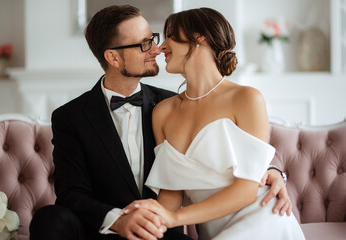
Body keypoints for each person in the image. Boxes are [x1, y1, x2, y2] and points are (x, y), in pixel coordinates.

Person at [29, 5, 292, 240]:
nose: (158, 48)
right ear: (113, 57)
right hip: (110, 227)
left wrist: (272, 171)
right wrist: (121, 219)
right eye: (144, 43)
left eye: (156, 39)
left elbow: (240, 158)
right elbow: (71, 193)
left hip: (177, 228)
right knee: (49, 218)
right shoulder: (72, 116)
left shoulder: (165, 104)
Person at [122, 7, 305, 240]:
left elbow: (247, 190)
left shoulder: (246, 99)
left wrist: (174, 218)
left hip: (263, 218)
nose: (161, 47)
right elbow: (171, 193)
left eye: (170, 36)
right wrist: (150, 217)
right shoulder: (162, 112)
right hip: (213, 231)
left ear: (200, 38)